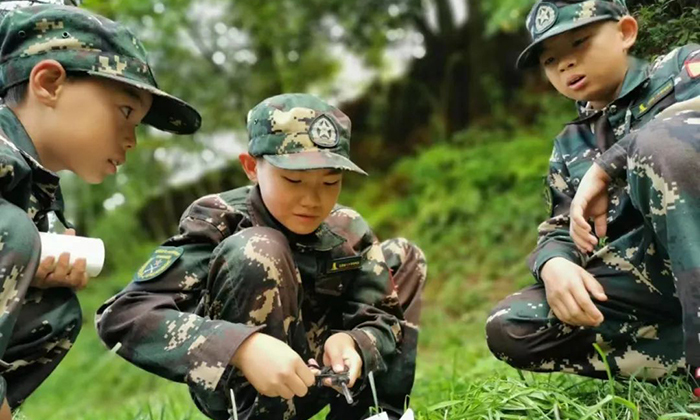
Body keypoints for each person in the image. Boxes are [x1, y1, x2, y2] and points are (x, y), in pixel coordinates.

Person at [96, 93, 427, 420]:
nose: (312, 199)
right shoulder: (217, 220)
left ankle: (374, 415)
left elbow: (384, 316)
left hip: (324, 376)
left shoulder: (347, 229)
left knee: (401, 255)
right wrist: (240, 347)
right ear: (251, 167)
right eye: (294, 180)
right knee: (258, 246)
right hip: (245, 385)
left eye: (330, 182)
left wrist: (355, 342)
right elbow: (123, 314)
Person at [485, 0, 700, 390]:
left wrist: (613, 161)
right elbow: (563, 224)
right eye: (550, 60)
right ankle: (685, 356)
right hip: (657, 278)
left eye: (579, 43)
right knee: (511, 325)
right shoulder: (572, 142)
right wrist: (553, 263)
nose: (565, 64)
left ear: (625, 33)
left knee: (658, 143)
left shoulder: (681, 69)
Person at [0, 4, 200, 418]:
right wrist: (17, 241)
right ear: (49, 83)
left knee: (51, 308)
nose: (132, 140)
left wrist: (29, 265)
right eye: (125, 112)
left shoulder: (35, 188)